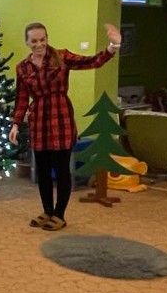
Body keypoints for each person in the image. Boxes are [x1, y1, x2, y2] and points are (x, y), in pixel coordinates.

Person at [9, 22, 121, 231]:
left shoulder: (61, 56)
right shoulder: (22, 67)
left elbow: (91, 62)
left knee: (61, 170)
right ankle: (47, 211)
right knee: (43, 171)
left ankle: (59, 214)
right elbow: (22, 98)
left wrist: (112, 47)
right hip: (39, 119)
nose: (39, 44)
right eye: (34, 41)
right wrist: (15, 124)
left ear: (47, 38)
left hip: (61, 117)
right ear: (27, 42)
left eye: (42, 39)